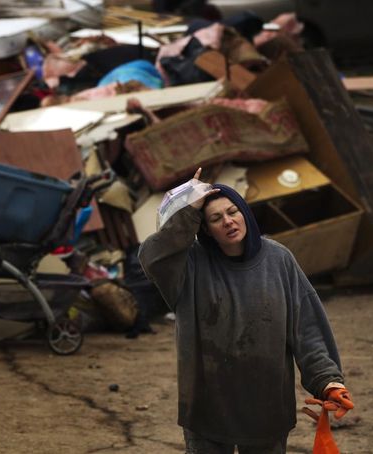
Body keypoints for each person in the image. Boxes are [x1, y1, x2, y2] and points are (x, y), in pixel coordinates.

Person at [138, 168, 354, 453]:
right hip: (207, 410)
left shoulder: (279, 260)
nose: (228, 221)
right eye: (215, 218)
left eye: (233, 211)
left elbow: (307, 329)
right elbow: (152, 255)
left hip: (267, 409)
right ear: (204, 228)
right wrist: (189, 208)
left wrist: (327, 381)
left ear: (245, 213)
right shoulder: (188, 269)